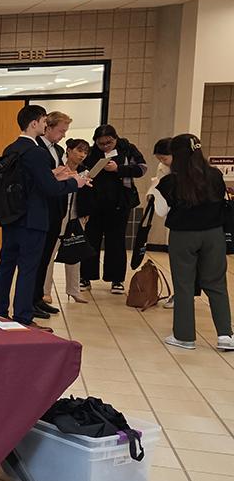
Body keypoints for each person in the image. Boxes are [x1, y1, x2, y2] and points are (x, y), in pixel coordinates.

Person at [0, 105, 89, 332]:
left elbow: (28, 181)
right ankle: (23, 317)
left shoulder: (12, 148)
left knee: (6, 265)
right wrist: (75, 182)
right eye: (44, 121)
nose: (46, 125)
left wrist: (54, 173)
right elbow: (50, 189)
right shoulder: (37, 152)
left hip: (12, 217)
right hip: (33, 219)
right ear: (34, 123)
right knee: (28, 268)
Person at [154, 134, 234, 352]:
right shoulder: (215, 175)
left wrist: (155, 189)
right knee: (216, 284)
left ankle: (184, 336)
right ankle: (226, 335)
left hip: (183, 235)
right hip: (214, 234)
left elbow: (161, 212)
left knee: (184, 285)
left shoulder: (170, 181)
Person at [79, 124, 147, 294]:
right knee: (91, 239)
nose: (105, 146)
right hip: (95, 203)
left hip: (119, 202)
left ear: (115, 138)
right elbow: (82, 170)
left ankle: (116, 279)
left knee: (116, 241)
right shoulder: (92, 152)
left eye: (109, 143)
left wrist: (119, 169)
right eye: (101, 144)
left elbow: (142, 168)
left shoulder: (127, 148)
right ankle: (86, 277)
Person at [43, 138, 94, 305]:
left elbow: (88, 195)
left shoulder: (85, 171)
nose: (82, 155)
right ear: (69, 150)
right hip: (59, 215)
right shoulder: (59, 166)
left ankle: (74, 290)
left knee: (75, 250)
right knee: (50, 252)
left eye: (85, 152)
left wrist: (85, 213)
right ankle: (45, 291)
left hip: (76, 216)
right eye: (79, 150)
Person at [33, 111, 73, 316]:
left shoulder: (58, 149)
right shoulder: (35, 148)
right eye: (61, 131)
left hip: (57, 208)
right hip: (42, 209)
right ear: (47, 127)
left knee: (47, 255)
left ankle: (39, 296)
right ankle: (31, 299)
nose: (63, 135)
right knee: (37, 258)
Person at [149, 137, 175, 308]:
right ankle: (179, 293)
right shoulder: (162, 168)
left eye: (164, 158)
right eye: (159, 159)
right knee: (177, 260)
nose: (162, 163)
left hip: (194, 222)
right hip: (174, 218)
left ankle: (184, 294)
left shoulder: (191, 169)